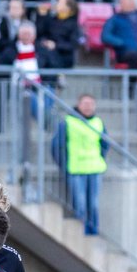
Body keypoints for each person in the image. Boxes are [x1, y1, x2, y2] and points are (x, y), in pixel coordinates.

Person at [52, 94, 107, 235]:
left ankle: (92, 233)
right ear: (78, 104)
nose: (88, 106)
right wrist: (64, 165)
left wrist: (99, 158)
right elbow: (56, 146)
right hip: (76, 169)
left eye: (91, 103)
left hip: (94, 168)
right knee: (80, 204)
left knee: (93, 205)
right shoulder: (68, 122)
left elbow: (105, 145)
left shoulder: (98, 122)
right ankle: (80, 234)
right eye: (85, 103)